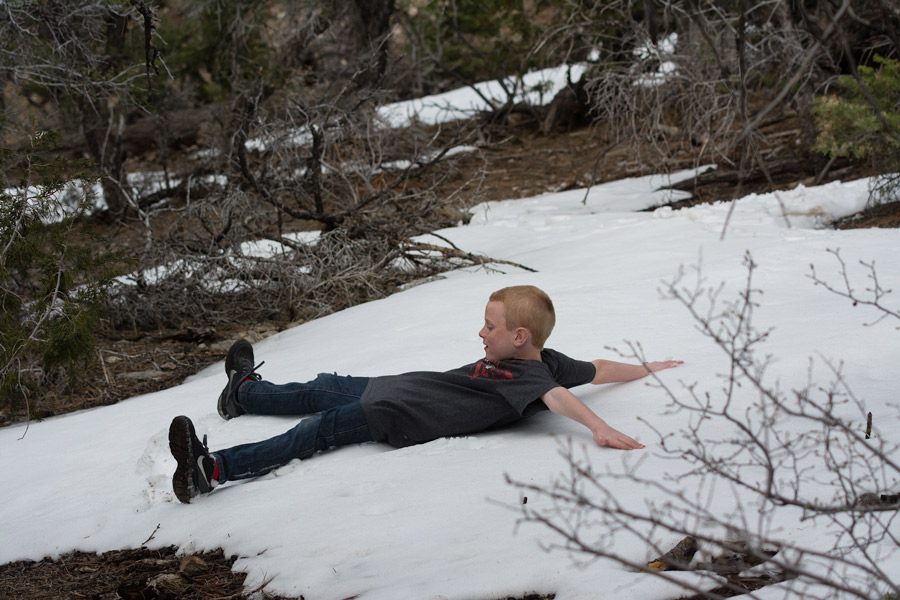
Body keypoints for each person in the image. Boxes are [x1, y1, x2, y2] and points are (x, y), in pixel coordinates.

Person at [168, 285, 682, 503]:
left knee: (314, 432)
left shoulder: (536, 379)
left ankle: (210, 470)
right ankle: (245, 396)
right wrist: (645, 367)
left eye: (490, 326)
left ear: (519, 338)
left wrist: (599, 427)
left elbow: (557, 399)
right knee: (320, 388)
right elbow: (598, 369)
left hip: (398, 413)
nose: (481, 333)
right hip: (402, 387)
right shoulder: (550, 361)